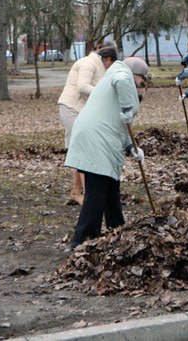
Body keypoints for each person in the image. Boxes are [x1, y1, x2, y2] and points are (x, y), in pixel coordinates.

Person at [64, 56, 150, 249]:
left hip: (99, 136)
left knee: (111, 188)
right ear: (135, 74)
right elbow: (122, 80)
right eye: (142, 80)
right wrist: (129, 106)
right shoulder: (122, 74)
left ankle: (117, 229)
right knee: (96, 192)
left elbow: (122, 126)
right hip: (97, 138)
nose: (141, 84)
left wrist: (132, 149)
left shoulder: (117, 87)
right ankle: (83, 240)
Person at [58, 43, 118, 205]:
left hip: (79, 110)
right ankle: (90, 194)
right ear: (106, 58)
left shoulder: (95, 65)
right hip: (72, 108)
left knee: (78, 150)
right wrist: (105, 94)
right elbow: (83, 87)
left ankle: (77, 192)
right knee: (84, 151)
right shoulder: (88, 63)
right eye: (111, 62)